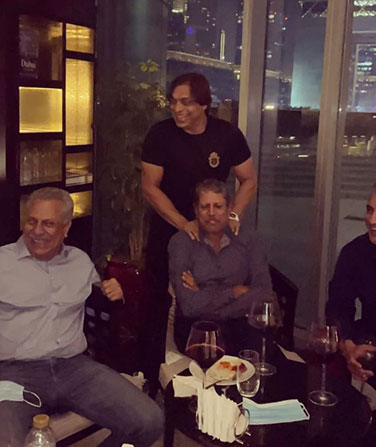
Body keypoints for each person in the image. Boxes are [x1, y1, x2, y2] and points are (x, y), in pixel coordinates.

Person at [0, 188, 163, 447]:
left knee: (149, 421)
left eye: (48, 223)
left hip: (74, 368)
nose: (37, 231)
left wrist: (115, 292)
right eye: (31, 221)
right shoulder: (3, 262)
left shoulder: (79, 262)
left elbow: (101, 297)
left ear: (66, 228)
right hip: (15, 374)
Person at [141, 73, 257, 384]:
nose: (177, 109)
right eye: (173, 102)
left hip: (213, 234)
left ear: (204, 104)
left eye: (186, 102)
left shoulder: (227, 135)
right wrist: (183, 224)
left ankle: (216, 372)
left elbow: (248, 179)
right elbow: (150, 187)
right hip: (168, 228)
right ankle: (150, 377)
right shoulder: (160, 135)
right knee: (157, 303)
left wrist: (234, 214)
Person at [327, 179, 376, 446]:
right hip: (372, 352)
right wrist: (347, 346)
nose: (372, 219)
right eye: (369, 210)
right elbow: (338, 306)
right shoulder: (354, 253)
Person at [168, 179, 273, 355]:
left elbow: (264, 293)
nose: (211, 213)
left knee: (262, 357)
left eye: (218, 206)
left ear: (229, 208)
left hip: (241, 326)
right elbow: (189, 306)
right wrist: (234, 292)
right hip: (197, 330)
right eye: (205, 207)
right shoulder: (181, 243)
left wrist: (202, 294)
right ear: (196, 210)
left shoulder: (248, 238)